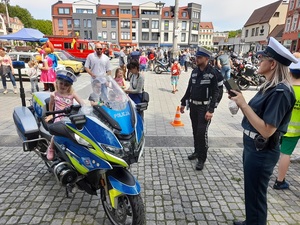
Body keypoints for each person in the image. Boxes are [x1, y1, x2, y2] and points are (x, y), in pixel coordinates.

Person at [230, 37, 297, 225]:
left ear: (273, 63)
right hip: (253, 147)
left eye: (262, 58)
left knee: (257, 195)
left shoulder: (281, 92)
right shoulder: (269, 86)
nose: (258, 61)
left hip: (262, 150)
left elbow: (268, 130)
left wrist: (243, 104)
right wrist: (240, 102)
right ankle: (251, 221)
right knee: (251, 191)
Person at [180, 47, 219, 171]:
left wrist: (211, 110)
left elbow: (216, 92)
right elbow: (189, 88)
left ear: (206, 59)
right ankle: (197, 152)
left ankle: (202, 159)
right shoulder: (195, 71)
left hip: (204, 108)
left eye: (199, 57)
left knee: (201, 133)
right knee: (195, 131)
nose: (196, 59)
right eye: (196, 57)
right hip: (193, 106)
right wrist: (182, 102)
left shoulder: (212, 73)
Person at [273, 55, 300, 190]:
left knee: (276, 150)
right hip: (294, 131)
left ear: (290, 72)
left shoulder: (285, 88)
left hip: (279, 127)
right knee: (286, 154)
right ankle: (279, 181)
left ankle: (270, 174)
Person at [45, 70, 84, 160]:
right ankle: (51, 148)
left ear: (70, 86)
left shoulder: (72, 94)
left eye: (66, 85)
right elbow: (51, 104)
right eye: (61, 83)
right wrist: (51, 114)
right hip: (59, 117)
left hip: (70, 117)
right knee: (56, 133)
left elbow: (82, 102)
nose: (63, 86)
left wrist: (87, 109)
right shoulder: (54, 94)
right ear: (57, 83)